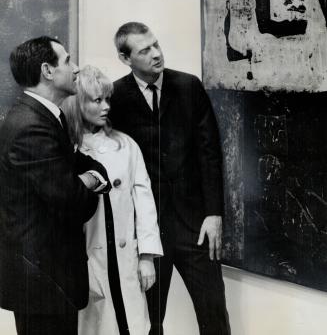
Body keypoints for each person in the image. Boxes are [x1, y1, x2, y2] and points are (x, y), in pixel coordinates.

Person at [110, 22, 231, 335]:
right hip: (148, 232)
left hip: (196, 226)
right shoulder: (116, 97)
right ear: (126, 59)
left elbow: (210, 154)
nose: (156, 54)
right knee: (149, 322)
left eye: (156, 45)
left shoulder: (189, 86)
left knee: (214, 313)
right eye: (144, 50)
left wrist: (214, 213)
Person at [0, 36, 110, 335]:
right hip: (43, 283)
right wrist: (86, 182)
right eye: (68, 61)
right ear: (47, 71)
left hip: (48, 280)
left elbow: (84, 168)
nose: (76, 69)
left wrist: (86, 178)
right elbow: (73, 202)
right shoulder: (30, 126)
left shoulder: (45, 117)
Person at [63, 65, 163, 335]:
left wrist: (146, 257)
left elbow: (145, 203)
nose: (106, 106)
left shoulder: (126, 145)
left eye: (108, 98)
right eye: (97, 100)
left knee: (133, 324)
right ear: (77, 102)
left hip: (126, 259)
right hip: (87, 262)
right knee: (96, 325)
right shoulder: (66, 150)